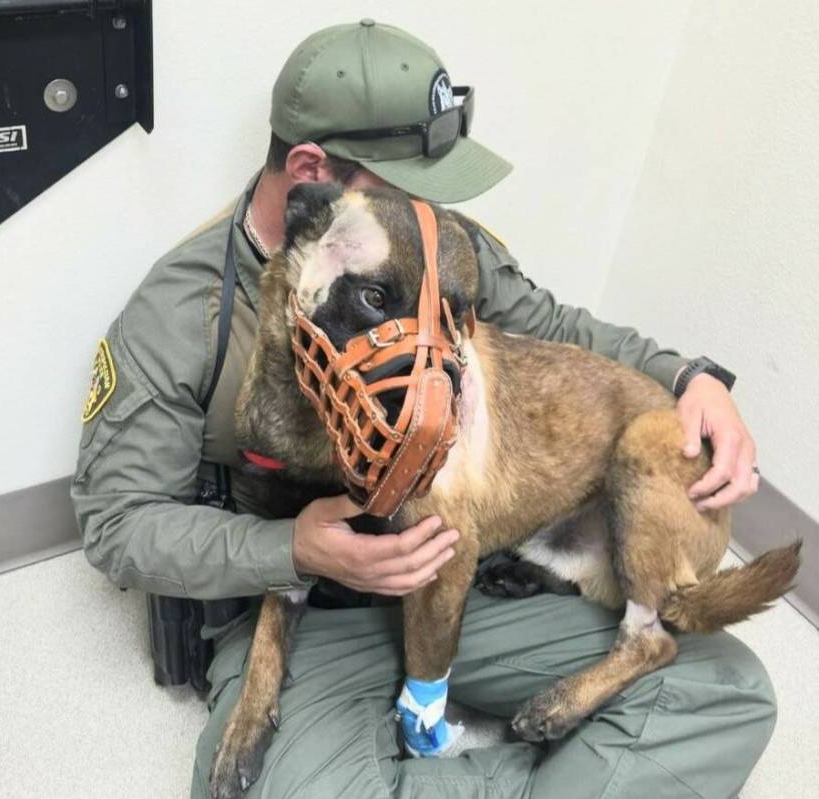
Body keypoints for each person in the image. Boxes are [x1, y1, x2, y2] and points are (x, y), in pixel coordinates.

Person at [72, 20, 774, 799]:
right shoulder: (180, 316)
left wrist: (692, 378)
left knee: (729, 691)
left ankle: (461, 750)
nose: (437, 218)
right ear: (313, 172)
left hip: (461, 577)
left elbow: (557, 325)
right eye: (413, 190)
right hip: (312, 606)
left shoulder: (436, 244)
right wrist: (294, 549)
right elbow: (118, 526)